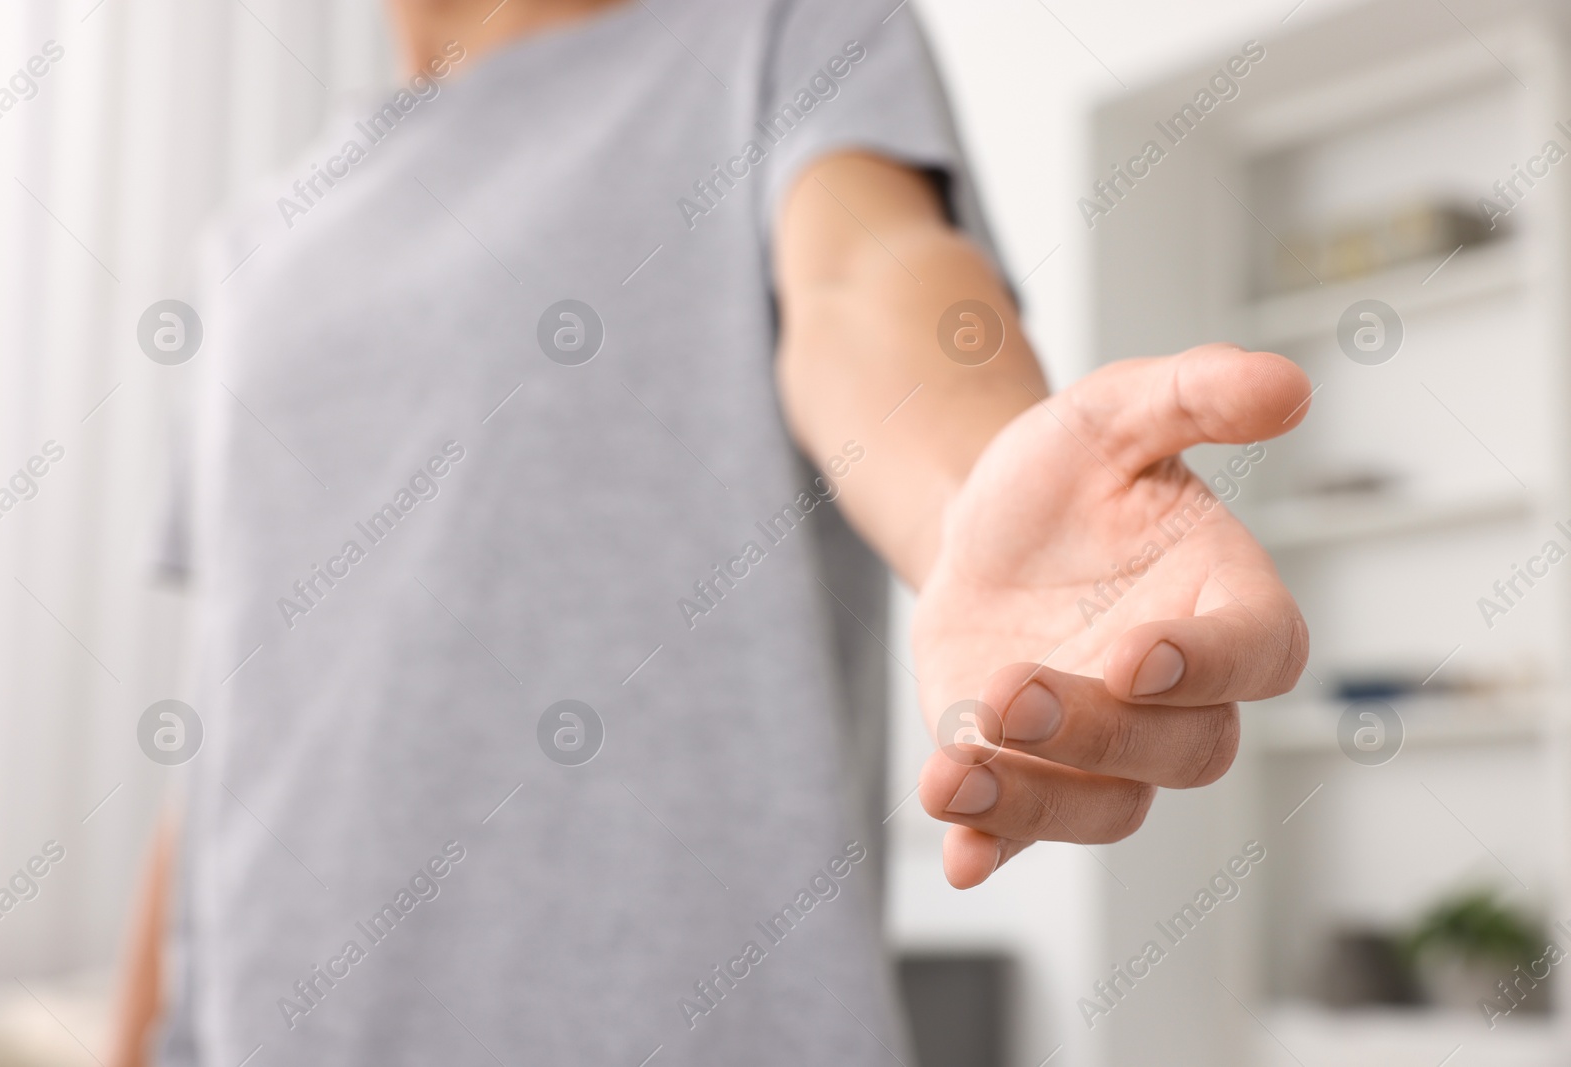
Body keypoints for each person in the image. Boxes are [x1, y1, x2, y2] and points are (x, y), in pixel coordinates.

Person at [107, 0, 1311, 1063]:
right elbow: (233, 711)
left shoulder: (777, 34)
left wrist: (973, 495)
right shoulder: (250, 246)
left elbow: (867, 280)